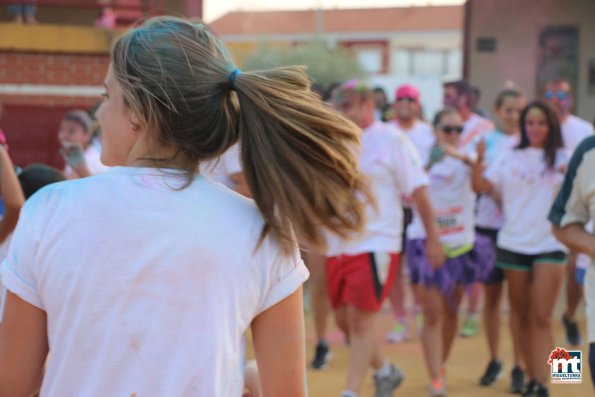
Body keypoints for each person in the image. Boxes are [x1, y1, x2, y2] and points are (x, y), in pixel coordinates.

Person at [0, 16, 369, 397]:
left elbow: (13, 383)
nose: (97, 115)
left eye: (106, 96)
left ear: (139, 112)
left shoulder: (49, 209)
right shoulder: (262, 232)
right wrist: (244, 378)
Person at [329, 80, 445, 397]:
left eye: (348, 106)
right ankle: (385, 370)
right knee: (342, 320)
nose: (342, 113)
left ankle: (351, 391)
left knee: (362, 322)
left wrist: (433, 238)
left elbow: (419, 190)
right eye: (339, 106)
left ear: (369, 106)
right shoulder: (335, 140)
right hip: (338, 244)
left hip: (377, 241)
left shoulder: (392, 140)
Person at [472, 101, 568, 397]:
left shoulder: (565, 158)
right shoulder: (508, 155)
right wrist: (478, 160)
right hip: (513, 242)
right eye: (531, 123)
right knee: (521, 314)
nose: (535, 129)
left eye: (541, 123)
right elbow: (480, 187)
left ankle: (559, 378)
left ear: (550, 126)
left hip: (551, 243)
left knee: (543, 315)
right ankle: (532, 377)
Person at [407, 107, 494, 397]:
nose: (453, 135)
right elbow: (409, 194)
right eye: (447, 129)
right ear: (435, 130)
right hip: (426, 240)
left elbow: (480, 187)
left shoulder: (468, 156)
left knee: (451, 309)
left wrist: (475, 160)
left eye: (458, 130)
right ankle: (435, 377)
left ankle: (441, 366)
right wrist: (430, 165)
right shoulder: (420, 154)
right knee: (432, 313)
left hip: (461, 244)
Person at [476, 89, 527, 392]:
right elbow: (478, 182)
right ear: (497, 110)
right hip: (491, 230)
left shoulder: (543, 142)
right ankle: (498, 360)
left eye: (518, 110)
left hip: (532, 236)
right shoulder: (489, 142)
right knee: (493, 300)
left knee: (539, 311)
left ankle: (539, 371)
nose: (513, 116)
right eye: (508, 109)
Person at [544, 78, 594, 346]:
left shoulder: (583, 131)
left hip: (574, 221)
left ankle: (570, 317)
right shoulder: (536, 130)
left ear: (571, 99)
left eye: (561, 95)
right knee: (542, 312)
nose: (555, 100)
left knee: (577, 281)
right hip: (542, 227)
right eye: (550, 94)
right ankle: (551, 379)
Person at [443, 79, 494, 336]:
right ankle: (454, 311)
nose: (445, 100)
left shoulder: (483, 127)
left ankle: (472, 315)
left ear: (464, 98)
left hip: (476, 205)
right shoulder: (443, 125)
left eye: (449, 96)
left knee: (473, 267)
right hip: (449, 208)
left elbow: (488, 163)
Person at [386, 83, 435, 343]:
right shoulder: (386, 132)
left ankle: (417, 314)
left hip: (420, 209)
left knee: (417, 268)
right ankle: (399, 320)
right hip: (394, 209)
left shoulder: (428, 133)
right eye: (400, 98)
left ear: (418, 104)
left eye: (410, 99)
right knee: (394, 268)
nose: (404, 103)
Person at [549, 134, 595, 389]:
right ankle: (556, 380)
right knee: (537, 314)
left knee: (542, 317)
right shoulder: (510, 148)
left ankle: (570, 320)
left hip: (555, 247)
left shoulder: (577, 128)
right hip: (558, 242)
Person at [58, 110, 109, 179]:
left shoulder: (88, 159)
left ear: (86, 135)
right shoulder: (75, 153)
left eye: (72, 131)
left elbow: (67, 181)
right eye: (62, 129)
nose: (65, 135)